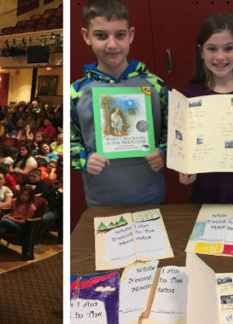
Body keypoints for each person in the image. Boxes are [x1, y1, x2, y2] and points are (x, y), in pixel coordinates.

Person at [70, 0, 169, 207]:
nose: (112, 44)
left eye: (120, 35)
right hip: (101, 200)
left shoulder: (155, 85)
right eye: (101, 35)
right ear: (86, 36)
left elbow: (174, 133)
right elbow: (70, 141)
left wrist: (163, 151)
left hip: (150, 196)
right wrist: (84, 159)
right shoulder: (76, 92)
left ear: (131, 35)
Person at [177, 13, 233, 203]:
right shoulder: (189, 96)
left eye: (228, 48)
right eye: (212, 49)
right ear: (201, 52)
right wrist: (184, 167)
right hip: (205, 192)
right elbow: (184, 149)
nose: (220, 56)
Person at [0, 187, 37, 259]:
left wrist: (10, 219)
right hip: (11, 223)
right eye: (22, 194)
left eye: (26, 195)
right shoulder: (15, 201)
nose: (23, 197)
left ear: (30, 197)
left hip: (21, 227)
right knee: (2, 230)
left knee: (4, 221)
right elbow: (12, 213)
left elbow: (25, 222)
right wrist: (7, 216)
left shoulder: (31, 207)